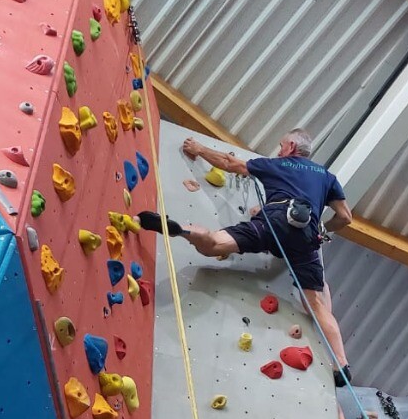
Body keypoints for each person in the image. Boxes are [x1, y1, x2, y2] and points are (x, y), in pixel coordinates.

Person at [139, 129, 355, 386]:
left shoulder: (277, 165)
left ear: (292, 147)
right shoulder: (327, 177)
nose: (279, 149)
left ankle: (184, 230)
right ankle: (341, 364)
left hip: (272, 223)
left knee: (216, 244)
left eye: (282, 144)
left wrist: (200, 149)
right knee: (316, 305)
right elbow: (345, 218)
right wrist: (324, 231)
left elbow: (231, 164)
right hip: (305, 235)